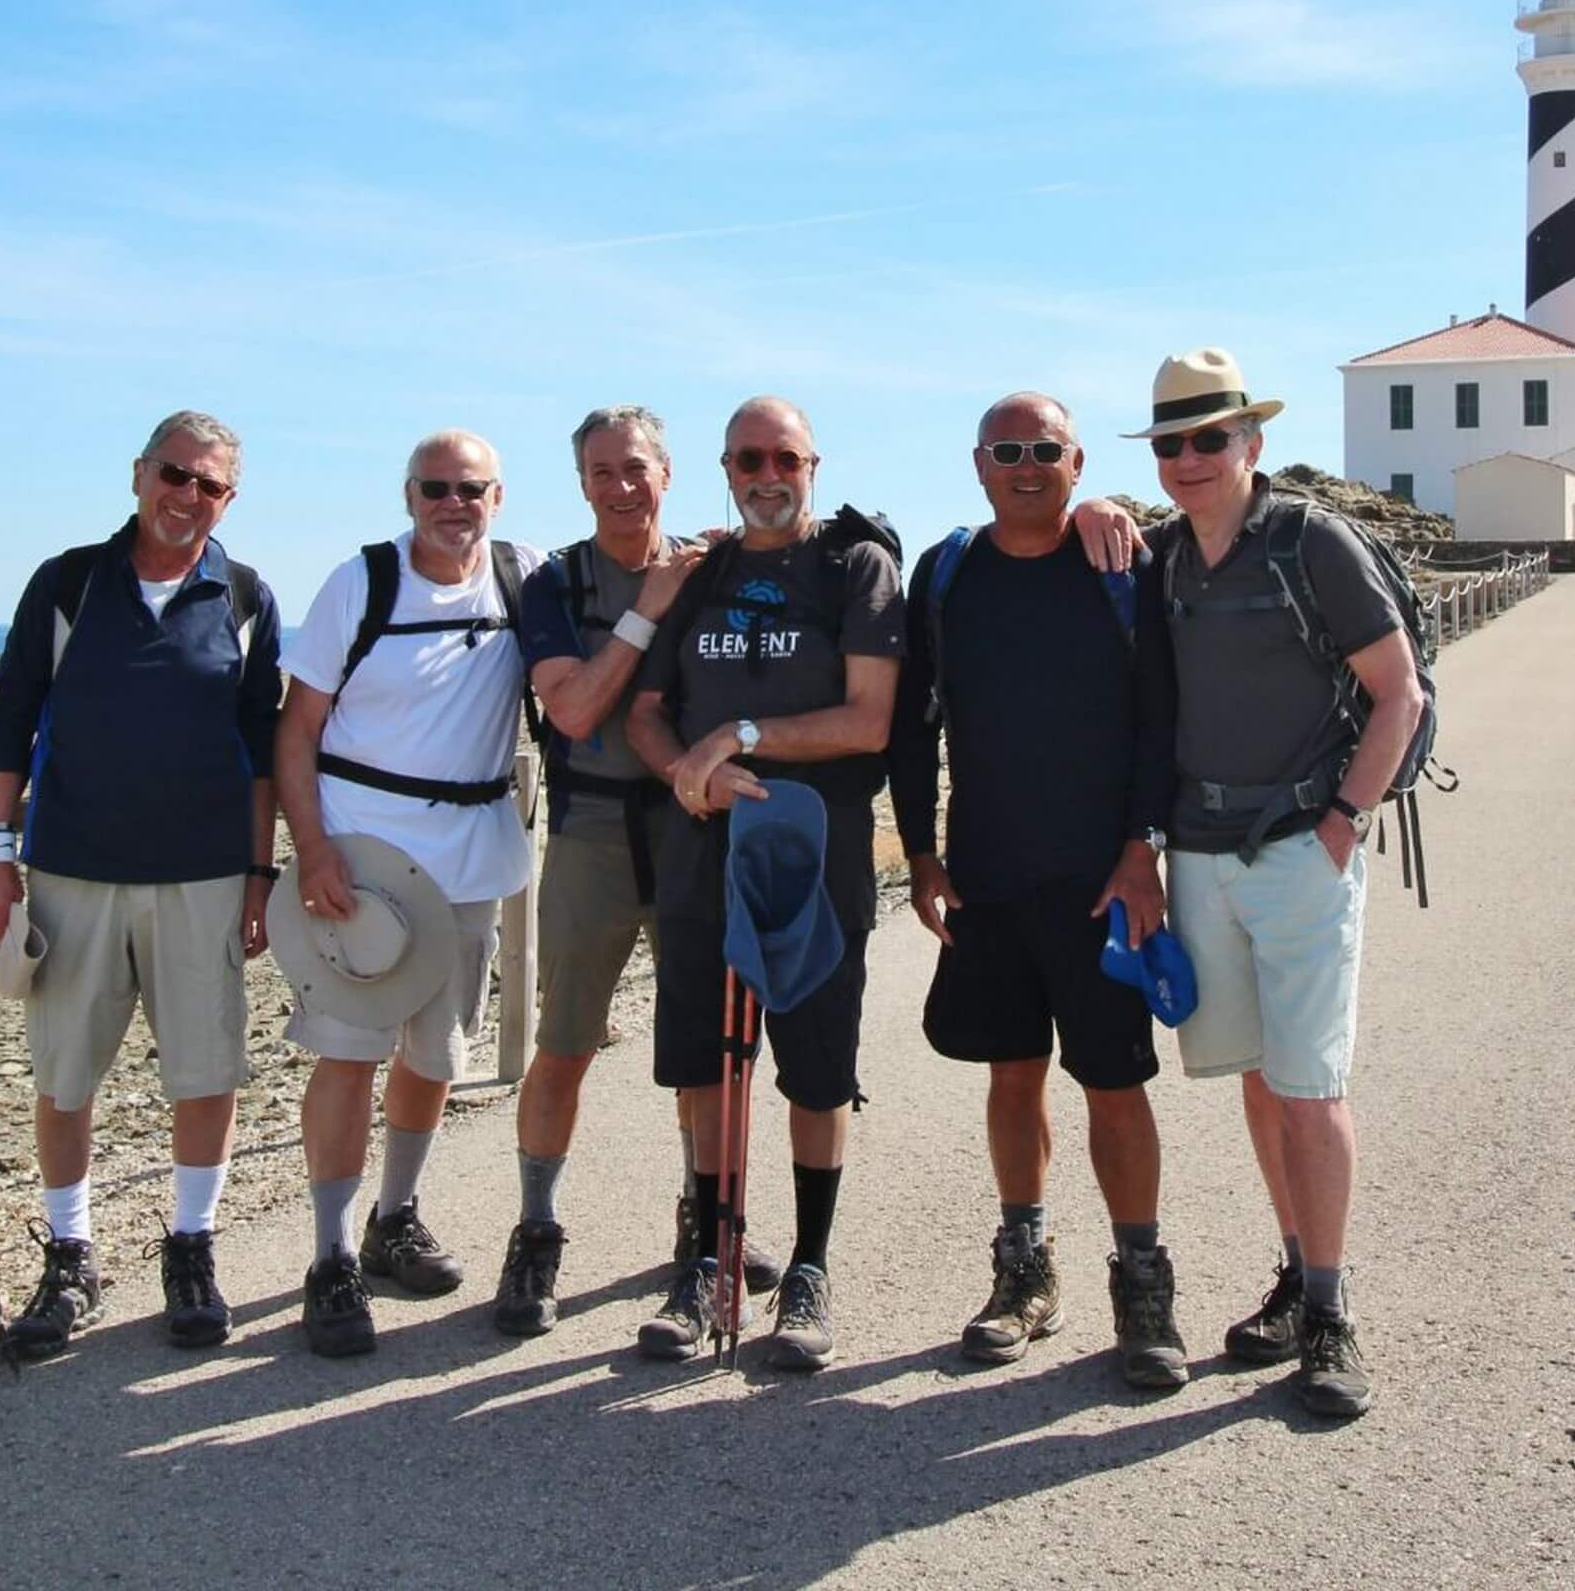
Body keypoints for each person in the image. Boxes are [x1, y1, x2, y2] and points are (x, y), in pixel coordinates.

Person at [1132, 348, 1424, 1419]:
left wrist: (1344, 823)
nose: (1190, 458)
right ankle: (1299, 1279)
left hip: (1302, 846)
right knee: (1259, 1078)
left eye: (1211, 437)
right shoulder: (1162, 558)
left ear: (1251, 442)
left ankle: (1333, 1309)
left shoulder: (1312, 543)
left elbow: (1397, 693)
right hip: (1199, 854)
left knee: (1310, 1087)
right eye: (1171, 442)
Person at [891, 391, 1189, 1388]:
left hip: (1100, 881)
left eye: (1046, 450)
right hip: (985, 877)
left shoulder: (1118, 567)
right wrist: (922, 858)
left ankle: (1142, 1289)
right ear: (978, 464)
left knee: (1115, 1084)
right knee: (1010, 1075)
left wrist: (1143, 847)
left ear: (1075, 461)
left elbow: (1159, 719)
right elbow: (909, 726)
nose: (1026, 465)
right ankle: (1023, 1273)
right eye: (1007, 449)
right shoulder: (946, 574)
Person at [0, 411, 284, 1358]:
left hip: (203, 876)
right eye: (175, 476)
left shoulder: (244, 593)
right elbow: (12, 718)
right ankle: (70, 1255)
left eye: (210, 486)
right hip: (72, 870)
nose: (188, 497)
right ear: (139, 473)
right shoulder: (68, 582)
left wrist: (261, 874)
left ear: (230, 497)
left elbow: (264, 751)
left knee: (206, 1070)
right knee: (66, 1076)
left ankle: (191, 1247)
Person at [494, 405, 788, 1336]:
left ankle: (704, 1224)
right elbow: (575, 713)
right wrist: (646, 607)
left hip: (693, 832)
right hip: (589, 830)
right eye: (600, 474)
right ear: (581, 484)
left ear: (669, 472)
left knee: (703, 1045)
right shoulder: (555, 584)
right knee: (567, 1041)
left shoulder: (715, 569)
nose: (621, 489)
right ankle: (536, 1233)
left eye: (636, 470)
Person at [625, 396, 904, 1371]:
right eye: (748, 458)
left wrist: (737, 739)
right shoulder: (701, 578)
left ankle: (810, 1270)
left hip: (813, 840)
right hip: (704, 844)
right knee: (705, 1061)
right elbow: (644, 712)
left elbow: (870, 719)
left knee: (815, 1064)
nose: (766, 474)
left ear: (812, 465)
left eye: (783, 456)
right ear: (726, 468)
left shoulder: (853, 567)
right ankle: (704, 1259)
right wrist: (682, 774)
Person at [276, 430, 543, 1358]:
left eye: (471, 488)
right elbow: (295, 729)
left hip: (470, 859)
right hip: (362, 863)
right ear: (408, 493)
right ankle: (331, 1256)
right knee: (348, 1054)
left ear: (498, 497)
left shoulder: (523, 577)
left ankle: (397, 1218)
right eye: (435, 487)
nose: (452, 503)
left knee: (437, 1054)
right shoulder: (359, 584)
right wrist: (309, 851)